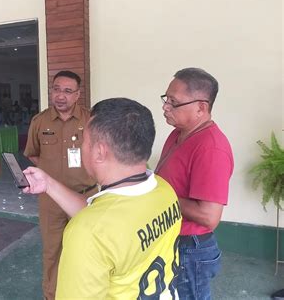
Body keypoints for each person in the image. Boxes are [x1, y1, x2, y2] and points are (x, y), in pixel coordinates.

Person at [23, 98, 182, 298]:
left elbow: (98, 228)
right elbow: (107, 226)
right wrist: (49, 184)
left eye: (84, 141)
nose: (82, 147)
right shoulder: (164, 190)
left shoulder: (87, 234)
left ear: (99, 152)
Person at [155, 67, 234, 299]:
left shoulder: (211, 148)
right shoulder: (178, 133)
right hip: (172, 240)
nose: (165, 106)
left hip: (191, 249)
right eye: (166, 99)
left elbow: (210, 217)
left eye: (173, 102)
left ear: (201, 107)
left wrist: (158, 192)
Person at [24, 70, 96, 299]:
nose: (60, 96)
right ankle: (52, 294)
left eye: (67, 91)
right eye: (56, 89)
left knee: (87, 249)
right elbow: (33, 154)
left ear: (77, 94)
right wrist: (51, 178)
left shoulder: (92, 120)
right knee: (53, 251)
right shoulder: (39, 121)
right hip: (51, 201)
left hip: (86, 197)